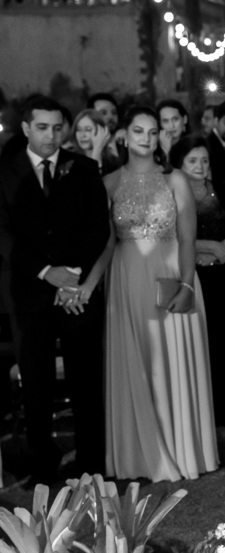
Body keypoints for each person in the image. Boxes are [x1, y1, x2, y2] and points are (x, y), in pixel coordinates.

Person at [91, 107, 218, 481]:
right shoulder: (110, 182)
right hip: (126, 281)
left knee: (171, 364)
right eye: (138, 131)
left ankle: (182, 449)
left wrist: (188, 284)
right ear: (125, 136)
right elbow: (104, 241)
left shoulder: (175, 179)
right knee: (137, 363)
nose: (146, 138)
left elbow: (188, 238)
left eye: (152, 131)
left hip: (171, 276)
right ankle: (136, 456)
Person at [0, 96, 109, 484]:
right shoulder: (5, 171)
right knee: (37, 386)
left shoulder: (82, 168)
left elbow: (99, 225)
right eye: (42, 127)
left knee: (86, 382)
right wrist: (47, 272)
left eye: (57, 127)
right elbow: (4, 235)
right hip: (29, 296)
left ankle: (93, 465)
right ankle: (41, 468)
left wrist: (74, 275)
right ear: (27, 128)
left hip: (77, 294)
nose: (51, 135)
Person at [171, 133, 225, 427]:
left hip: (224, 275)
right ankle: (202, 413)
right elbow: (174, 237)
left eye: (204, 160)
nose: (200, 166)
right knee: (200, 343)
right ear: (179, 164)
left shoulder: (221, 189)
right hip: (194, 276)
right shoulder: (173, 193)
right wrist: (208, 246)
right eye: (192, 161)